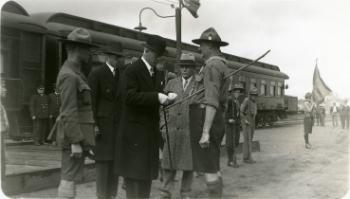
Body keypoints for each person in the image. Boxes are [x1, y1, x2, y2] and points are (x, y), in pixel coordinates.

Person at [115, 34, 176, 199]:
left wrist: (166, 96)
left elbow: (149, 93)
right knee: (134, 182)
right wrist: (157, 97)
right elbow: (129, 96)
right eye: (157, 55)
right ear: (147, 51)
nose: (159, 59)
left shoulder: (154, 72)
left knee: (146, 180)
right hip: (134, 136)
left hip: (148, 136)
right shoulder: (132, 70)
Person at [55, 28, 97, 198]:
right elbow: (68, 111)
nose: (89, 52)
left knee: (71, 177)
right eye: (86, 48)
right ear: (76, 49)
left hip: (78, 135)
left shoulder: (75, 73)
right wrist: (75, 141)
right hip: (73, 137)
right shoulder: (70, 76)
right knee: (68, 177)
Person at [189, 27, 230, 198]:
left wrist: (205, 132)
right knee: (213, 164)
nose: (200, 49)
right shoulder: (222, 64)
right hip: (216, 119)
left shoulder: (212, 66)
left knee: (209, 166)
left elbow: (211, 100)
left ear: (210, 46)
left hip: (207, 119)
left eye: (202, 45)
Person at [88, 46, 125, 199]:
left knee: (114, 166)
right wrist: (94, 125)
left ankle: (112, 195)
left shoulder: (121, 75)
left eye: (119, 58)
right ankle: (102, 196)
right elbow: (91, 102)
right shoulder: (97, 74)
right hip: (102, 128)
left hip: (117, 128)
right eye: (115, 57)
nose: (117, 61)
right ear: (108, 57)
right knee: (103, 165)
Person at [159, 53, 196, 199]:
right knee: (169, 163)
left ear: (193, 68)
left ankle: (185, 192)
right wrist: (162, 125)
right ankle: (165, 192)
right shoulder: (171, 83)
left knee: (189, 164)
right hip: (172, 130)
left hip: (189, 131)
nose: (185, 69)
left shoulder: (199, 84)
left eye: (188, 66)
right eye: (182, 66)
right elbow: (163, 107)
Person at [225, 83, 244, 168]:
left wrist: (239, 121)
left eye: (238, 92)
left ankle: (232, 160)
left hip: (236, 124)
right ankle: (231, 161)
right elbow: (224, 112)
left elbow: (238, 113)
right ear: (231, 92)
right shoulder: (229, 100)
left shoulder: (237, 101)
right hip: (230, 125)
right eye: (235, 91)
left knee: (236, 142)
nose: (237, 93)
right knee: (230, 143)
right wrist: (228, 119)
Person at [241, 87, 258, 164]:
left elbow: (254, 113)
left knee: (250, 140)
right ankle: (246, 158)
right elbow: (241, 112)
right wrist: (245, 120)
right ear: (250, 95)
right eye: (253, 95)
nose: (254, 96)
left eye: (255, 95)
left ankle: (249, 157)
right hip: (247, 122)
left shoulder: (254, 102)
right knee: (247, 140)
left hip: (252, 122)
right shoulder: (246, 100)